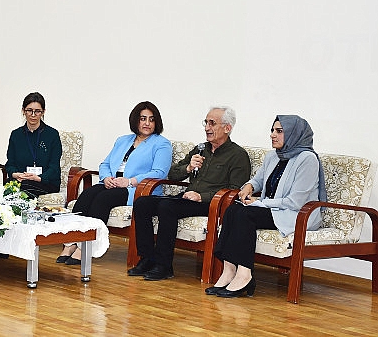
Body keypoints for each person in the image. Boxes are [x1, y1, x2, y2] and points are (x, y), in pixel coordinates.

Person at [206, 115, 325, 298]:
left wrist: (260, 202)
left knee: (246, 215)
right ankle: (229, 270)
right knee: (233, 210)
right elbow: (259, 179)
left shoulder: (307, 159)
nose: (272, 135)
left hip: (296, 214)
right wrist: (249, 186)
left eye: (279, 131)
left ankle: (245, 274)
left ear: (294, 134)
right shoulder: (273, 156)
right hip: (274, 209)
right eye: (272, 130)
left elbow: (296, 202)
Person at [128, 106, 251, 280]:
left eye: (212, 123)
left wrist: (203, 196)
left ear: (227, 128)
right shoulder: (200, 149)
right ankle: (147, 258)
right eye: (206, 122)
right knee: (142, 203)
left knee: (167, 207)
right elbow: (173, 173)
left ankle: (164, 266)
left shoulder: (238, 155)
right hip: (188, 199)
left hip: (211, 204)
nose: (207, 127)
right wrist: (188, 167)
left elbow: (235, 190)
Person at [56, 101, 173, 265]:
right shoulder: (123, 140)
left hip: (137, 189)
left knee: (103, 199)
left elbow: (159, 172)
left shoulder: (161, 143)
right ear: (135, 120)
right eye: (143, 119)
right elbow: (105, 164)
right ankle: (71, 243)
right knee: (87, 195)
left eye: (151, 119)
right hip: (113, 183)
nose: (147, 123)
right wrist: (107, 178)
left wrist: (129, 181)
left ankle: (86, 248)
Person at [4, 92, 62, 198]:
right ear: (23, 111)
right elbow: (10, 164)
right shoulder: (16, 135)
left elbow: (54, 167)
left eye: (37, 111)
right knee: (7, 187)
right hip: (21, 180)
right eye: (29, 110)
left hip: (45, 182)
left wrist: (39, 178)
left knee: (24, 187)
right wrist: (15, 174)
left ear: (43, 112)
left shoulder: (52, 134)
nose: (33, 115)